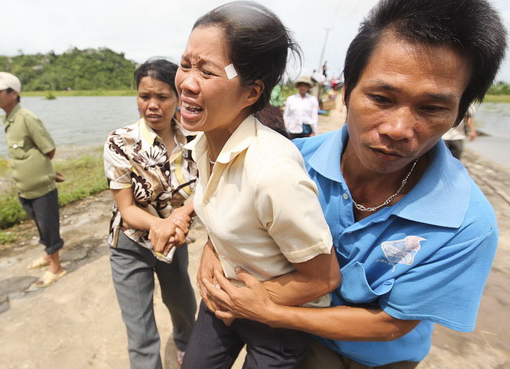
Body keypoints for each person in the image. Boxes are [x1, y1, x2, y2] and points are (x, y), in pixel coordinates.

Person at [199, 0, 506, 367]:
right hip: (290, 335)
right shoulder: (286, 163)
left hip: (373, 356)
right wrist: (212, 248)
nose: (397, 129)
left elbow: (392, 323)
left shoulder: (467, 224)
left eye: (431, 108)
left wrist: (270, 312)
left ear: (459, 113)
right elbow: (234, 212)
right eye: (381, 98)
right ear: (346, 92)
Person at [175, 2, 341, 368]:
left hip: (277, 320)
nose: (187, 82)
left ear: (251, 94)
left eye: (207, 72)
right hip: (224, 296)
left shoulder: (273, 171)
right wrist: (211, 250)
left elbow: (324, 277)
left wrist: (247, 302)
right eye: (186, 64)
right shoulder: (203, 145)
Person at [103, 58, 197, 368]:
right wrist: (161, 224)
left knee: (182, 304)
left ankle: (185, 344)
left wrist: (180, 218)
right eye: (145, 97)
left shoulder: (196, 140)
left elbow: (208, 189)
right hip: (129, 245)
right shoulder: (120, 142)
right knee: (140, 331)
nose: (152, 105)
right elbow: (127, 208)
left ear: (179, 98)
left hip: (174, 241)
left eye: (162, 96)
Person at [0, 72, 66, 287]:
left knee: (48, 226)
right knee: (38, 224)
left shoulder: (27, 118)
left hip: (40, 186)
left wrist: (44, 171)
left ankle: (56, 267)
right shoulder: (10, 119)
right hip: (25, 186)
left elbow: (49, 149)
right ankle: (48, 256)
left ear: (13, 93)